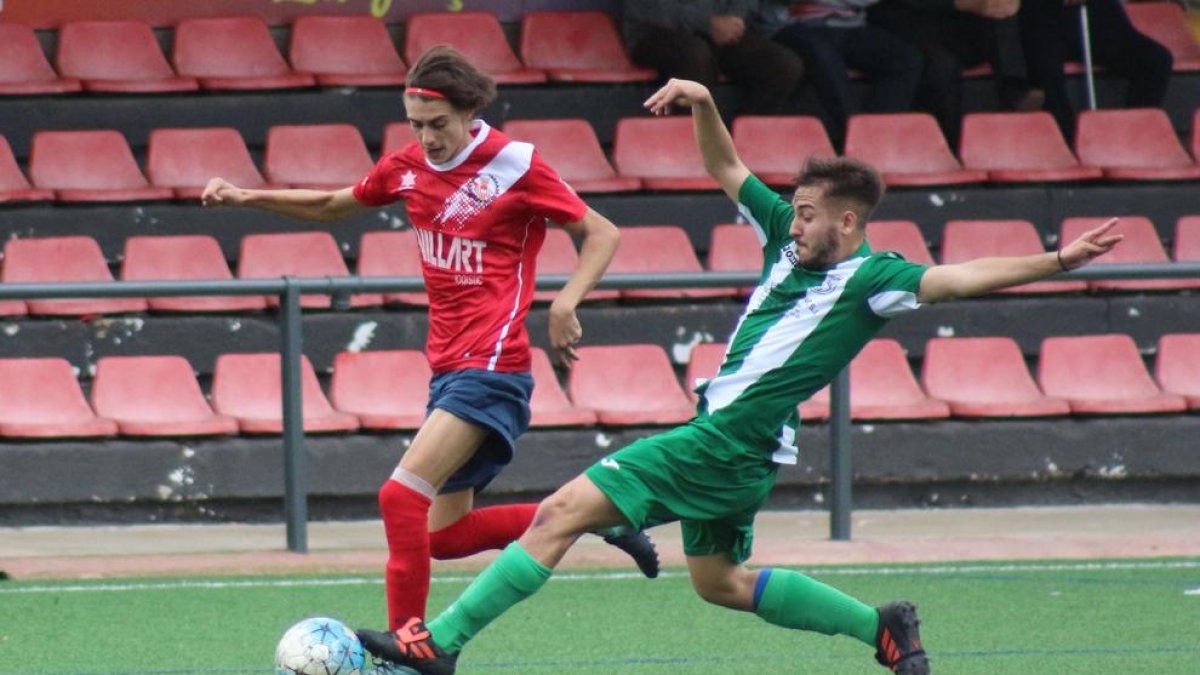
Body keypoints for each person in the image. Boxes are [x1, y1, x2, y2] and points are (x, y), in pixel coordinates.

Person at [354, 77, 1122, 675]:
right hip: (744, 452)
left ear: (847, 222)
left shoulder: (873, 279)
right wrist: (704, 103)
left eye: (810, 212)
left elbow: (960, 278)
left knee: (559, 512)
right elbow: (725, 165)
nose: (795, 219)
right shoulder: (785, 244)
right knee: (718, 581)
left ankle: (441, 642)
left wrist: (1055, 259)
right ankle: (881, 626)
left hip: (725, 439)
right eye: (793, 208)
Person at [200, 45, 659, 634]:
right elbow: (334, 204)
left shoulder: (514, 163)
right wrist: (246, 196)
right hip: (448, 367)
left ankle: (408, 647)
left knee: (399, 498)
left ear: (470, 112)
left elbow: (601, 233)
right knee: (441, 536)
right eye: (416, 125)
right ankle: (597, 517)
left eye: (438, 125)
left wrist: (565, 301)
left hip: (493, 364)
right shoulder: (407, 166)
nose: (428, 138)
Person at [868, 0, 1042, 146]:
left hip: (954, 18)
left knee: (1002, 9)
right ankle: (946, 149)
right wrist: (963, 4)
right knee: (942, 66)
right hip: (903, 18)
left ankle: (1016, 90)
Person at [755, 0, 923, 145]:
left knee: (905, 59)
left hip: (850, 25)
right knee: (823, 56)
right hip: (789, 25)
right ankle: (857, 138)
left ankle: (877, 140)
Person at [1018, 0, 1173, 141]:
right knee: (1045, 67)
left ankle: (1135, 136)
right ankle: (1065, 140)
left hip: (1097, 13)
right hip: (1042, 15)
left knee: (1155, 59)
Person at [622, 0, 806, 114]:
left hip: (715, 31)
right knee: (696, 55)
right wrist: (707, 23)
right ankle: (689, 146)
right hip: (653, 32)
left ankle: (740, 149)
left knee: (783, 65)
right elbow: (653, 9)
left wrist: (734, 19)